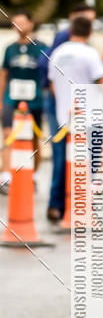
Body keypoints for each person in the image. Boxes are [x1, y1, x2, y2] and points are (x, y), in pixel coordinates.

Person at [47, 17, 103, 219]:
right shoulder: (90, 54)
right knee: (89, 164)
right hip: (89, 117)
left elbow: (53, 86)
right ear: (89, 32)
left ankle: (58, 206)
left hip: (63, 117)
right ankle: (85, 209)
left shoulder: (58, 53)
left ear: (70, 31)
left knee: (62, 163)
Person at [39, 2, 96, 219]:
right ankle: (60, 205)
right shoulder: (66, 37)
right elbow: (47, 67)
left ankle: (64, 206)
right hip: (63, 106)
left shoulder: (72, 38)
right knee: (63, 154)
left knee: (67, 155)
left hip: (66, 105)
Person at [0, 10, 47, 194]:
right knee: (8, 134)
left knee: (34, 137)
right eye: (15, 23)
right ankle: (6, 176)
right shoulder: (10, 49)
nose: (19, 26)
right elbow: (4, 75)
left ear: (31, 24)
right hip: (12, 98)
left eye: (22, 22)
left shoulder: (42, 47)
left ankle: (32, 175)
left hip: (34, 100)